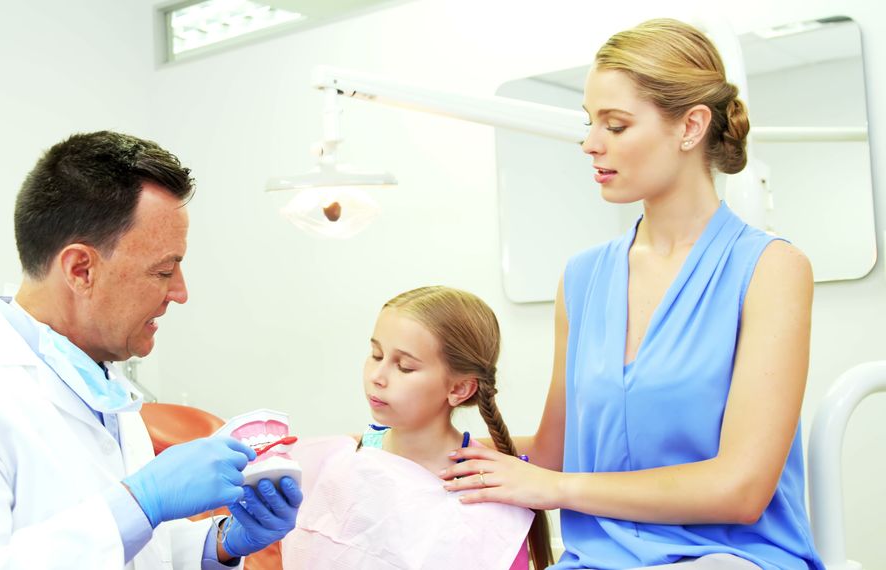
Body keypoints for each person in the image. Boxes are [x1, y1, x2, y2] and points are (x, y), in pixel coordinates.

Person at [442, 19, 824, 569]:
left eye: (616, 126)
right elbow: (554, 450)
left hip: (731, 558)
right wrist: (429, 447)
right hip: (599, 559)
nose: (590, 144)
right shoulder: (582, 278)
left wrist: (555, 489)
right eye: (589, 123)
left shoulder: (770, 269)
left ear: (690, 127)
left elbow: (741, 489)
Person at [0, 131, 301, 569]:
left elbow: (139, 549)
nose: (180, 293)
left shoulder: (100, 384)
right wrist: (138, 503)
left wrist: (223, 542)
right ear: (80, 269)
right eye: (163, 270)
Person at [283, 286, 553, 569]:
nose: (377, 376)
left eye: (405, 367)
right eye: (376, 354)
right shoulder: (349, 458)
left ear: (459, 388)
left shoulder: (486, 486)